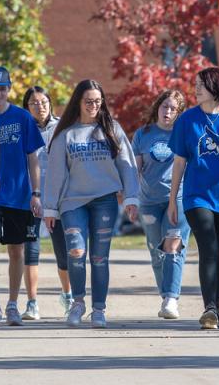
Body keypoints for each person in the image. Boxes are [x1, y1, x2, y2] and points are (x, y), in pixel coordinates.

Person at [43, 79, 139, 328]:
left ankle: (98, 309)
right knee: (76, 251)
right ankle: (77, 302)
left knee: (99, 257)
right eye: (89, 101)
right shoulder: (66, 134)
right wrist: (50, 207)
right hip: (72, 202)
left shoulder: (111, 129)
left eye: (98, 101)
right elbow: (55, 174)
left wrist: (131, 198)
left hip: (104, 200)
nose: (94, 105)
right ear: (78, 102)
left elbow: (127, 165)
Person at [168, 67, 219, 329]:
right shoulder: (187, 120)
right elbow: (179, 162)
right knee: (209, 247)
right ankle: (210, 308)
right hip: (196, 196)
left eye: (201, 84)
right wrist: (173, 199)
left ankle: (216, 306)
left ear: (215, 87)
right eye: (195, 84)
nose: (196, 89)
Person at [0, 67, 45, 327]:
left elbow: (33, 158)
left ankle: (13, 304)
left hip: (19, 195)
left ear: (9, 89)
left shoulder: (23, 117)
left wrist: (36, 193)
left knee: (17, 250)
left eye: (2, 88)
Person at [133, 89, 189, 320]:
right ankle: (165, 293)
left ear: (179, 113)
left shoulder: (183, 134)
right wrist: (130, 198)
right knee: (157, 251)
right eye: (164, 106)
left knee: (172, 247)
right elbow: (134, 169)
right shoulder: (142, 134)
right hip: (149, 202)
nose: (167, 111)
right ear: (157, 107)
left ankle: (171, 299)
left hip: (177, 199)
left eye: (173, 109)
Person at [20, 86, 73, 319]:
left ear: (50, 103)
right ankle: (32, 303)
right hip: (30, 197)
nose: (39, 106)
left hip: (58, 198)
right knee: (31, 251)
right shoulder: (22, 128)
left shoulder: (63, 127)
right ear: (26, 107)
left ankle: (68, 296)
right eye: (33, 103)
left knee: (63, 253)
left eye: (43, 102)